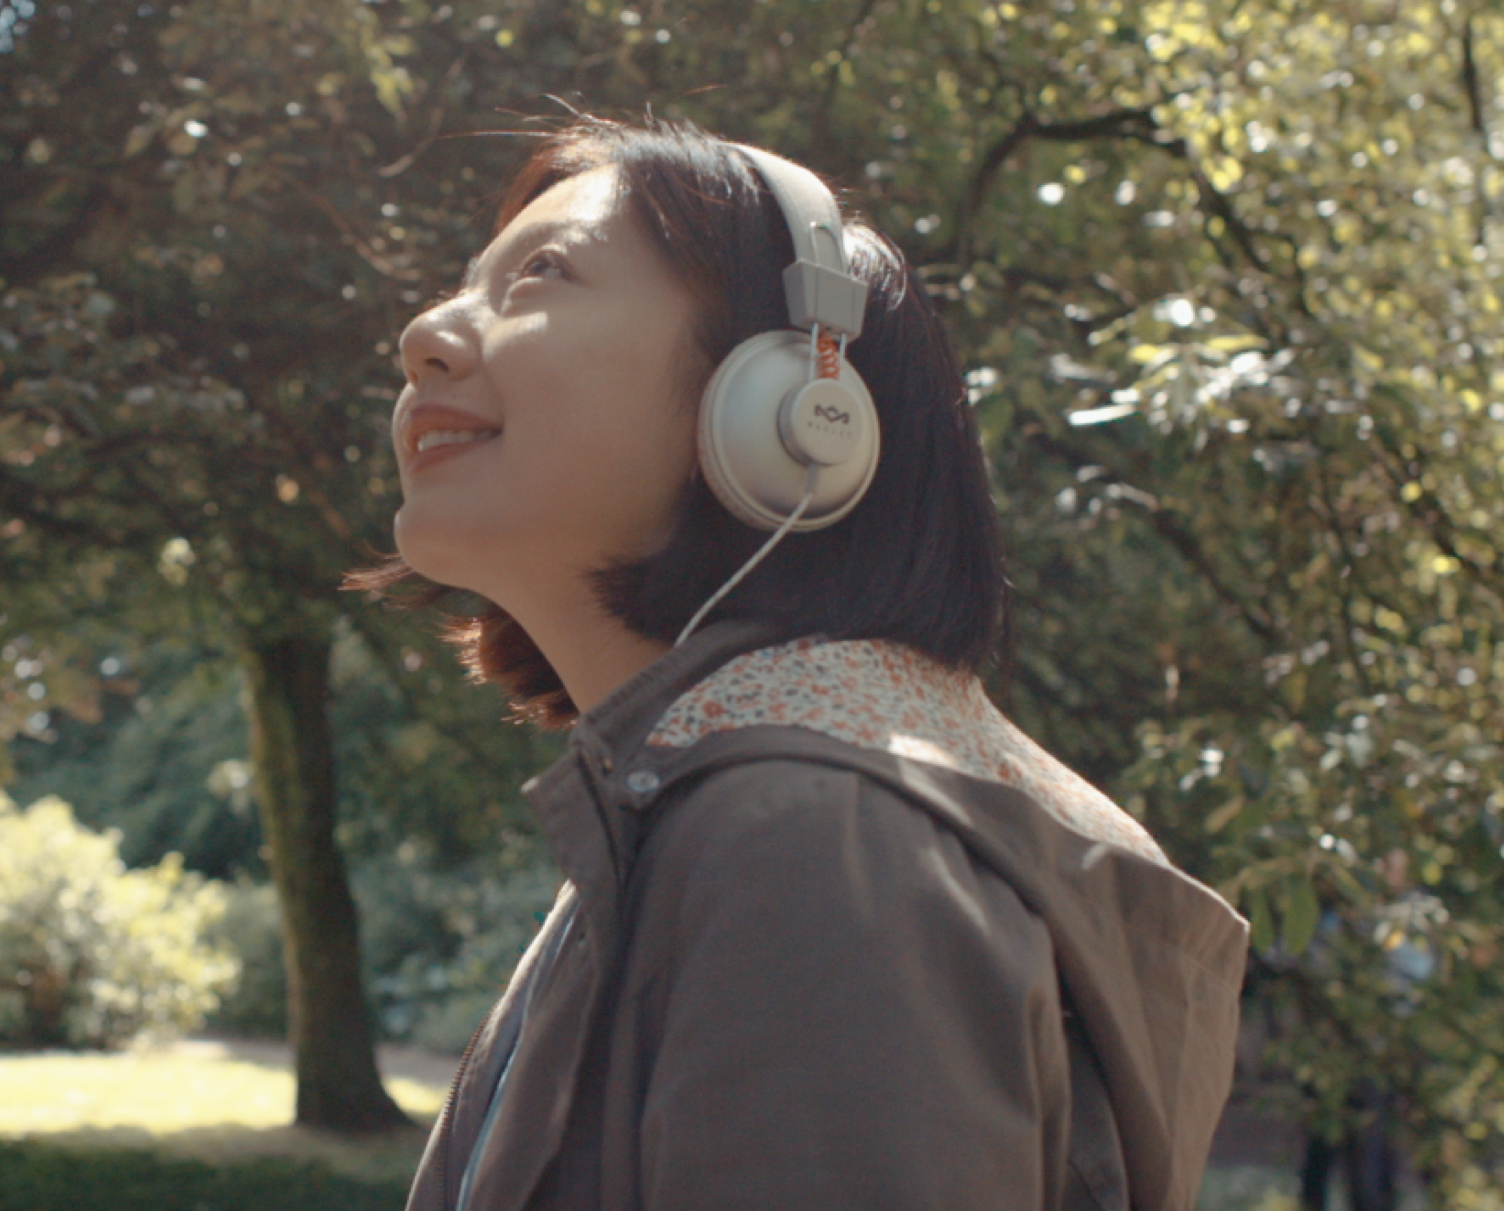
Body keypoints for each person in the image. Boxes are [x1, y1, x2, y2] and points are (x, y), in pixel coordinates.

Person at [368, 116, 1250, 1211]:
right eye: (462, 286)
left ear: (794, 407)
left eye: (542, 274)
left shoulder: (818, 842)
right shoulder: (727, 806)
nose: (423, 333)